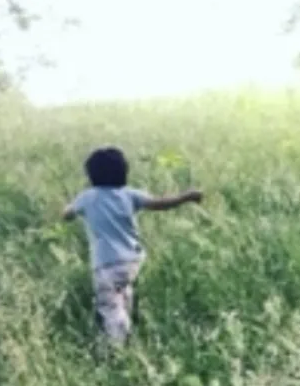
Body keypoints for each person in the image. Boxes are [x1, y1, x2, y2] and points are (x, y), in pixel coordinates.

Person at [62, 146, 202, 344]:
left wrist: (67, 210)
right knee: (123, 292)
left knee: (109, 305)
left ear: (91, 175)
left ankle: (118, 342)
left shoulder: (88, 197)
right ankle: (127, 326)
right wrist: (186, 196)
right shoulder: (130, 194)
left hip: (106, 263)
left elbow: (67, 214)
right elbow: (160, 203)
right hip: (131, 260)